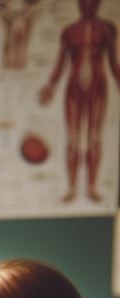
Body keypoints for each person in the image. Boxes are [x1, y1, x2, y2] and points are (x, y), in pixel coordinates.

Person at [38, 0, 120, 203]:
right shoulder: (69, 31)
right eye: (84, 2)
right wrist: (50, 86)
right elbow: (60, 63)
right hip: (73, 88)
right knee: (73, 138)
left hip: (97, 87)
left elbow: (113, 62)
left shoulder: (107, 29)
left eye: (92, 2)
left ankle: (91, 186)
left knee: (94, 136)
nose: (88, 6)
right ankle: (72, 187)